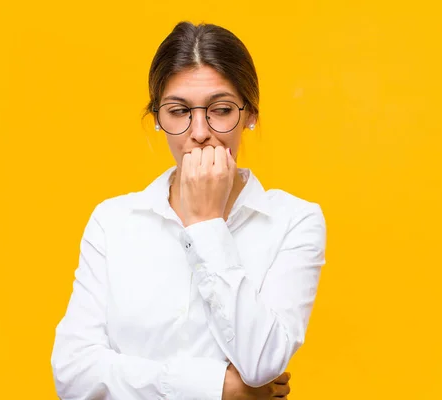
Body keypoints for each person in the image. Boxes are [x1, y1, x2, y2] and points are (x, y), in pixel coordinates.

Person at [51, 21, 327, 400]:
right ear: (158, 120)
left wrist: (206, 222)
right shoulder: (112, 222)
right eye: (179, 111)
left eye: (222, 109)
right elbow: (73, 373)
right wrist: (217, 388)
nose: (199, 131)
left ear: (250, 115)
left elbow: (263, 362)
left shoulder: (294, 221)